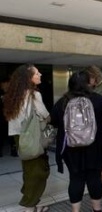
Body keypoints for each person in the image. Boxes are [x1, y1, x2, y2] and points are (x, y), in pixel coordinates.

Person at [51, 71, 102, 212]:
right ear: (88, 84)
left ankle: (75, 210)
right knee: (94, 178)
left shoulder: (62, 102)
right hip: (95, 148)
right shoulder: (99, 100)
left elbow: (53, 121)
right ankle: (97, 209)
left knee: (75, 178)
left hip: (70, 148)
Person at [3, 64, 50, 212]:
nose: (40, 74)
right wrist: (49, 119)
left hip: (19, 137)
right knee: (39, 172)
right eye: (37, 73)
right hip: (33, 136)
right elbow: (45, 115)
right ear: (29, 78)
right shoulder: (34, 95)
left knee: (29, 171)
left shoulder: (13, 95)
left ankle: (33, 203)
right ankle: (29, 206)